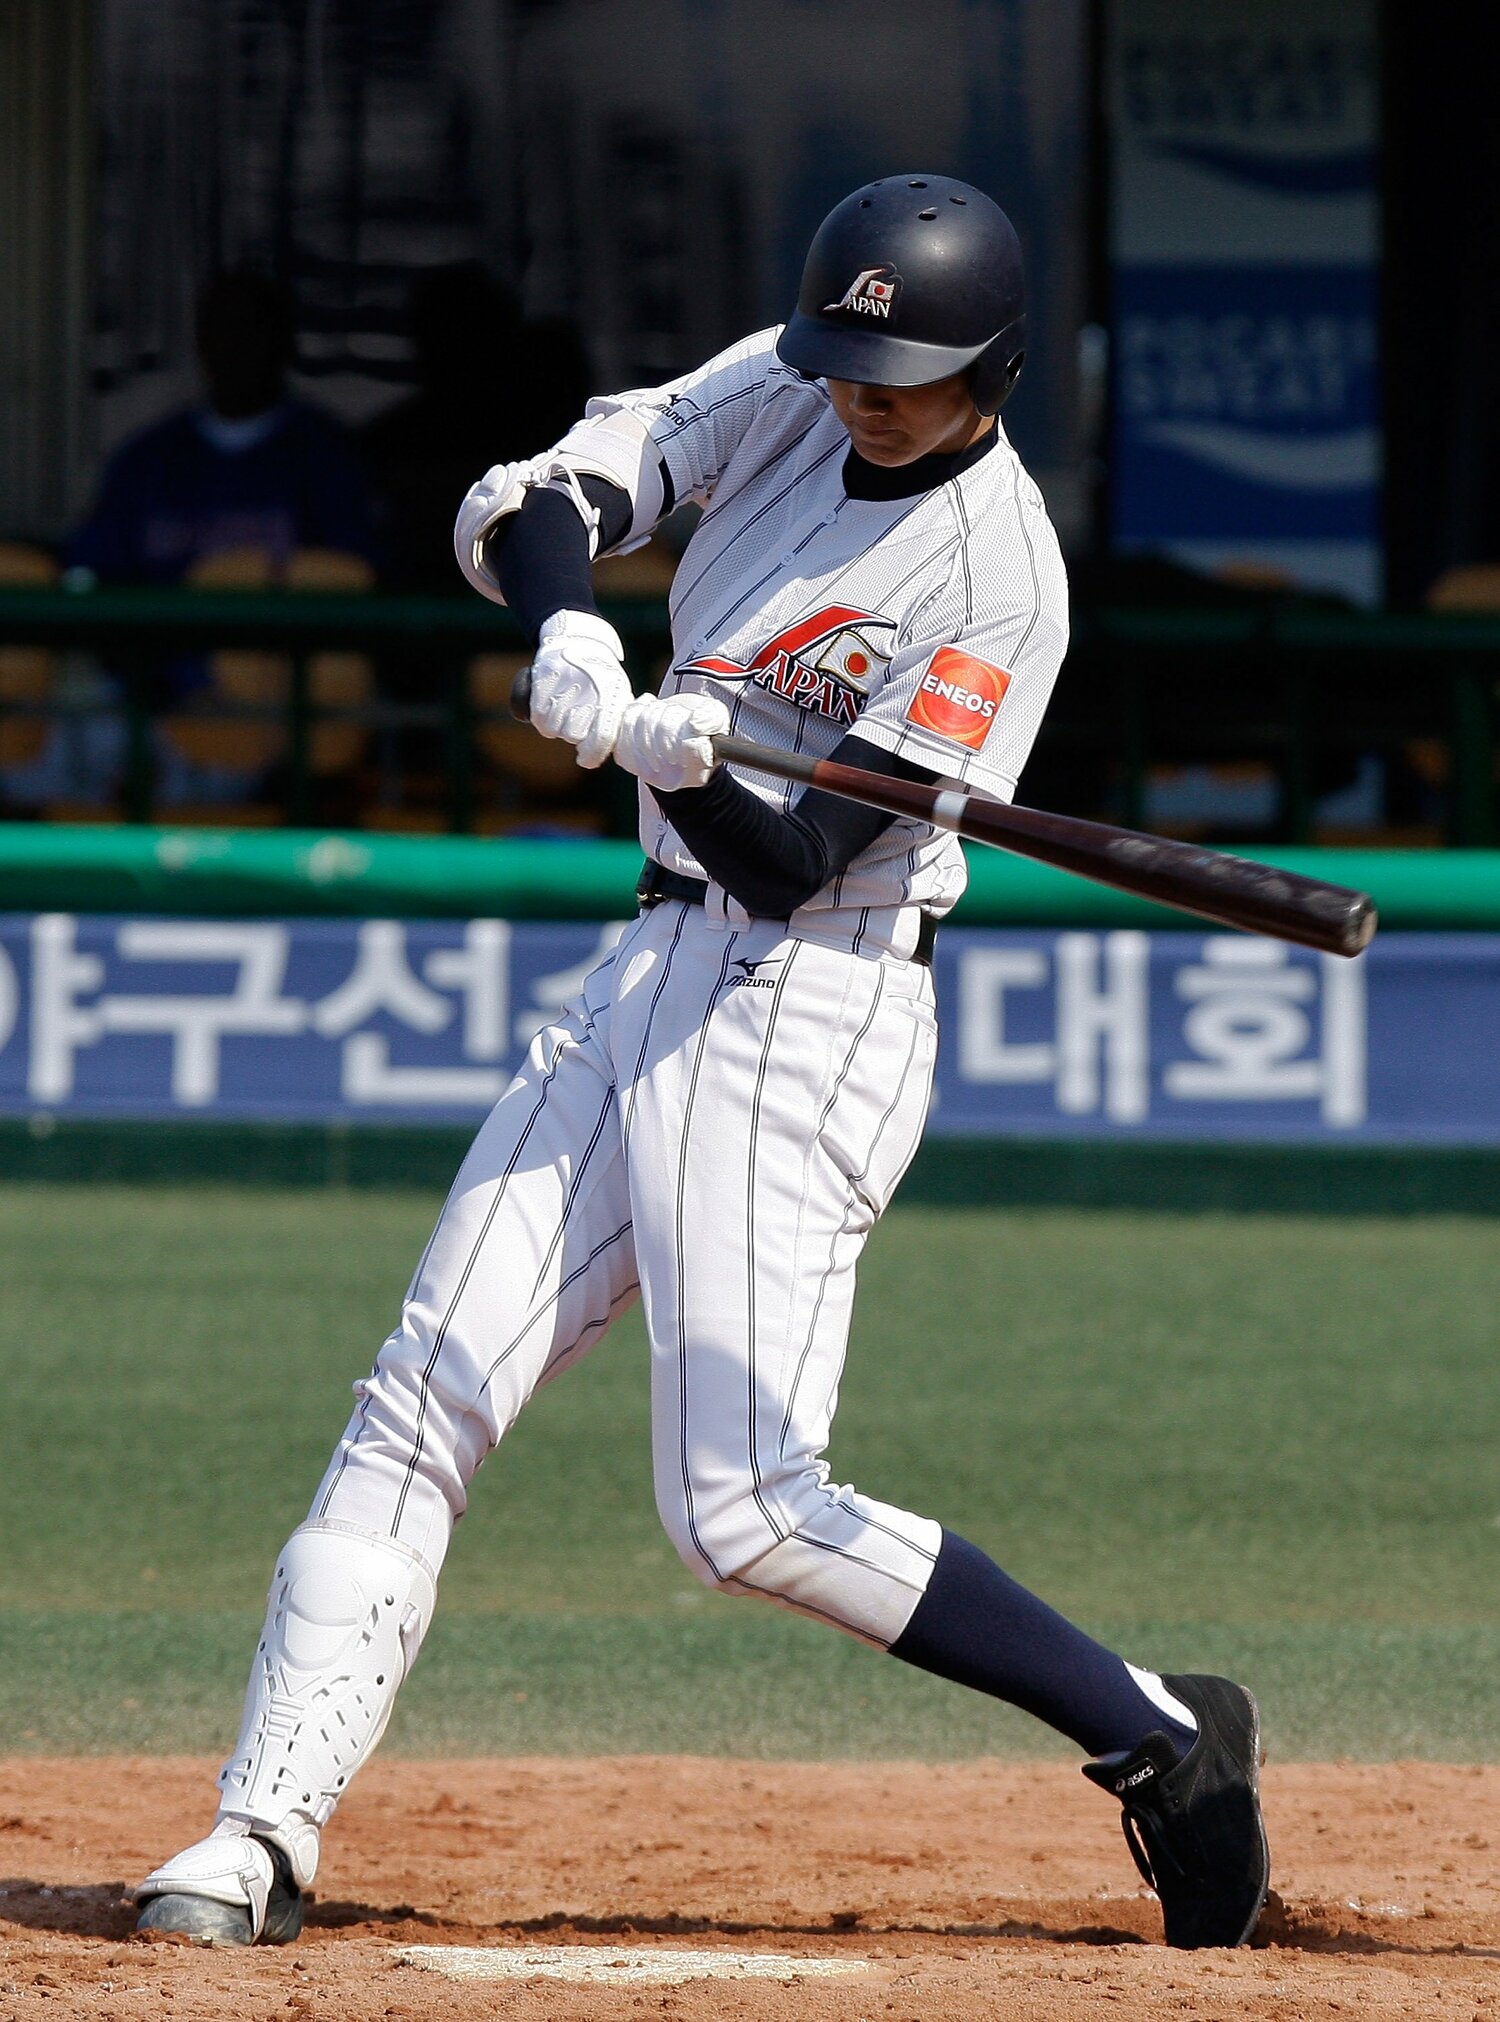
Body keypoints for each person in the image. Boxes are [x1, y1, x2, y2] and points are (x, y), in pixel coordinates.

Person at [132, 176, 1270, 1953]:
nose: (864, 393)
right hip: (651, 958)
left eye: (908, 367)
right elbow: (545, 499)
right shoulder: (786, 383)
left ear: (998, 367)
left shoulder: (998, 580)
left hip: (812, 1002)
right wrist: (576, 627)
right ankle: (257, 1827)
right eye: (850, 355)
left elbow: (799, 861)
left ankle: (1160, 1732)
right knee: (423, 1383)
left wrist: (686, 763)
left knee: (737, 1509)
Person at [69, 269, 378, 589]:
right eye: (222, 331)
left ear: (285, 343)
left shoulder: (327, 455)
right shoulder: (147, 460)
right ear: (202, 342)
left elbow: (364, 576)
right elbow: (90, 572)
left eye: (253, 330)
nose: (236, 348)